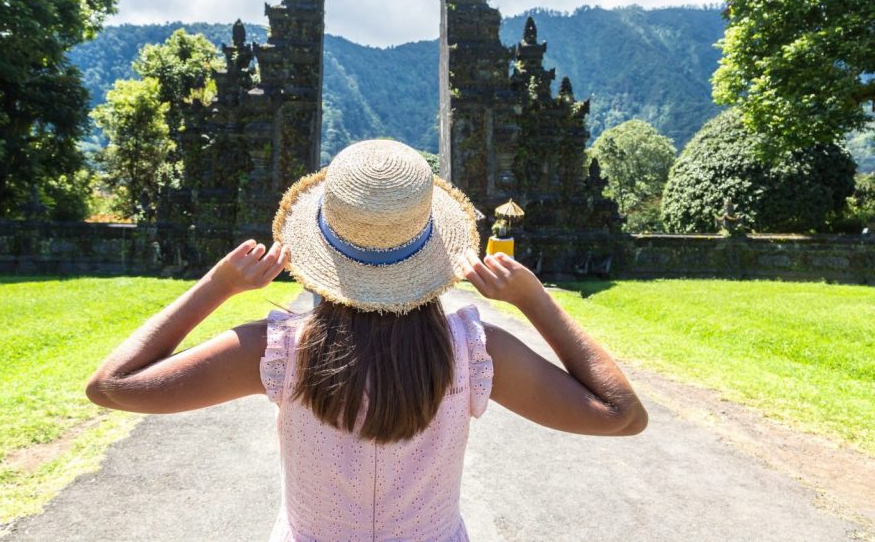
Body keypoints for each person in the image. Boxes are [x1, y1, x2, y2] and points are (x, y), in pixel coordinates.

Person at [86, 139, 648, 540]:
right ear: (431, 247)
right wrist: (533, 298)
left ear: (317, 249)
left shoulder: (280, 350)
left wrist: (217, 286)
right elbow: (622, 415)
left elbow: (112, 386)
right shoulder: (475, 349)